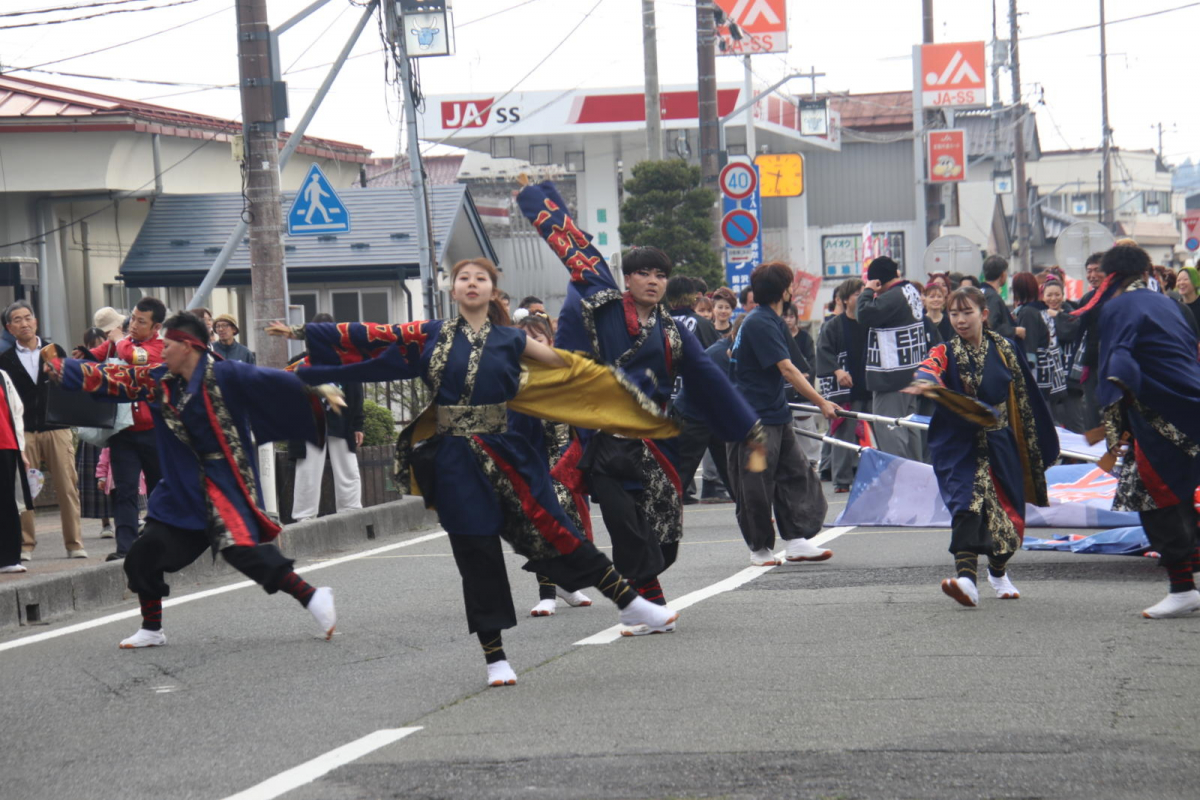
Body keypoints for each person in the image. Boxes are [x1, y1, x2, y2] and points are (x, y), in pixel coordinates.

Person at [272, 257, 683, 683]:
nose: (472, 284)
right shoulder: (430, 335)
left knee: (558, 530)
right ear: (453, 290)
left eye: (481, 278)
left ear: (492, 290)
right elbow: (377, 336)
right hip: (454, 461)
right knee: (476, 553)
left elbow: (570, 366)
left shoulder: (512, 339)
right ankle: (495, 658)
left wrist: (619, 382)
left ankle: (630, 602)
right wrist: (306, 337)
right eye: (463, 278)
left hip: (509, 453)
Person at [518, 179, 762, 625]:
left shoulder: (673, 329)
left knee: (663, 531)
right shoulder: (605, 306)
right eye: (644, 274)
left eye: (661, 275)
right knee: (623, 523)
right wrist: (539, 198)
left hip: (651, 442)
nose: (653, 281)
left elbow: (708, 379)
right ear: (627, 278)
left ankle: (639, 592)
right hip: (602, 440)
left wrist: (746, 423)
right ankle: (642, 604)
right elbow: (574, 246)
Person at [46, 311, 340, 647]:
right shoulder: (161, 379)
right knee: (144, 552)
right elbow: (119, 377)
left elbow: (274, 381)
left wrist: (317, 388)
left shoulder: (226, 374)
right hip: (179, 488)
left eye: (168, 344)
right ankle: (152, 629)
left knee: (242, 553)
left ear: (188, 346)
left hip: (222, 482)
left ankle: (314, 597)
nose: (162, 350)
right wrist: (66, 368)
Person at [906, 287, 1058, 608]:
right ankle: (966, 581)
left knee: (1009, 520)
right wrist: (927, 382)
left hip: (1000, 442)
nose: (960, 320)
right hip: (958, 442)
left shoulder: (1006, 349)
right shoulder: (945, 351)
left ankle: (998, 572)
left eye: (967, 313)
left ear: (984, 314)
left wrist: (1035, 445)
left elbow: (1026, 398)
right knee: (967, 504)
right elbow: (929, 368)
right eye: (954, 314)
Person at [1076, 244, 1200, 618]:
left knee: (1151, 494)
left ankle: (1182, 588)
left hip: (1159, 414)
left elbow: (1120, 359)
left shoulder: (1117, 307)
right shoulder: (1169, 303)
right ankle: (1185, 583)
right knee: (1178, 492)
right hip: (1190, 404)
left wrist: (1109, 418)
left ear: (1110, 278)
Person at [728, 262, 838, 567]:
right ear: (782, 290)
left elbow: (795, 364)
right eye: (790, 284)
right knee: (757, 483)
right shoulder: (760, 322)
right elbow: (787, 368)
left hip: (776, 414)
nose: (794, 290)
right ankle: (759, 547)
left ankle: (797, 541)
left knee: (797, 474)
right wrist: (821, 402)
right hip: (753, 421)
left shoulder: (771, 320)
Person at [511, 313, 594, 616]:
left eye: (538, 339)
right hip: (532, 462)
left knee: (572, 526)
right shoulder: (509, 377)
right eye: (524, 339)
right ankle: (547, 591)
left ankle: (568, 585)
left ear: (549, 341)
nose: (531, 345)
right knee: (542, 527)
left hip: (567, 461)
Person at [75, 296, 166, 562]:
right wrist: (84, 356)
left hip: (155, 430)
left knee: (159, 490)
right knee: (123, 490)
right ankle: (126, 547)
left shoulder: (159, 347)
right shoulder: (121, 342)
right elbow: (96, 358)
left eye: (141, 321)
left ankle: (160, 543)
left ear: (156, 326)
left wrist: (117, 338)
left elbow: (131, 356)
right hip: (122, 431)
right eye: (133, 318)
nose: (133, 324)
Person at [0, 301, 87, 559]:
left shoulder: (54, 351)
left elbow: (70, 383)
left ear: (36, 321)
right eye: (17, 320)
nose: (24, 323)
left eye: (28, 317)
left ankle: (74, 543)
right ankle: (26, 544)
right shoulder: (4, 360)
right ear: (9, 328)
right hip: (24, 431)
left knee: (67, 486)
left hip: (57, 427)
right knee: (24, 490)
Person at [856, 256, 939, 461]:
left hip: (891, 375)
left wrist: (867, 291)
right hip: (909, 373)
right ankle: (916, 478)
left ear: (878, 281)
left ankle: (901, 476)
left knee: (890, 431)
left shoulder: (893, 296)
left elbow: (864, 314)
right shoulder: (910, 290)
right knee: (909, 430)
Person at [289, 313, 364, 522]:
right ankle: (304, 518)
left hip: (341, 422)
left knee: (348, 469)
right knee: (307, 471)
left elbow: (356, 395)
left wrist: (358, 425)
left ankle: (351, 513)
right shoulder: (299, 364)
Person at [817, 278, 870, 493]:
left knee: (874, 434)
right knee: (843, 435)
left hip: (870, 386)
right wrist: (837, 370)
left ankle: (869, 474)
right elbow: (823, 351)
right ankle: (842, 479)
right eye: (858, 294)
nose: (862, 297)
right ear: (846, 299)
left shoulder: (871, 322)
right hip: (844, 389)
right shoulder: (833, 326)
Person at [1011, 272, 1069, 425]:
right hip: (1050, 373)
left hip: (1039, 374)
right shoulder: (1038, 310)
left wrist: (1026, 372)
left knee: (1044, 418)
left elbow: (1030, 349)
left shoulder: (1028, 312)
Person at [76, 327, 116, 539]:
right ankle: (105, 523)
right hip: (93, 427)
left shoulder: (114, 363)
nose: (95, 349)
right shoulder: (83, 367)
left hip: (113, 424)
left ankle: (128, 517)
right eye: (92, 345)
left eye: (100, 343)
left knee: (121, 474)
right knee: (97, 476)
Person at [0, 366, 32, 573]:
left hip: (6, 444)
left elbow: (16, 411)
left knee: (6, 500)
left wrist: (21, 449)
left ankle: (9, 557)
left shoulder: (2, 375)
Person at [1042, 276, 1085, 433]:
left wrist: (1057, 316)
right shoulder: (1038, 316)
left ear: (1063, 295)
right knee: (1053, 425)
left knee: (1075, 422)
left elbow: (1069, 333)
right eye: (1049, 295)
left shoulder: (1072, 314)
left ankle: (1082, 456)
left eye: (1057, 294)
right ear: (1042, 296)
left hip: (1070, 378)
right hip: (1049, 377)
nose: (1053, 298)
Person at [981, 255, 1022, 341]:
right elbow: (990, 325)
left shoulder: (979, 291)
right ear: (1002, 274)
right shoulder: (993, 297)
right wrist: (1014, 330)